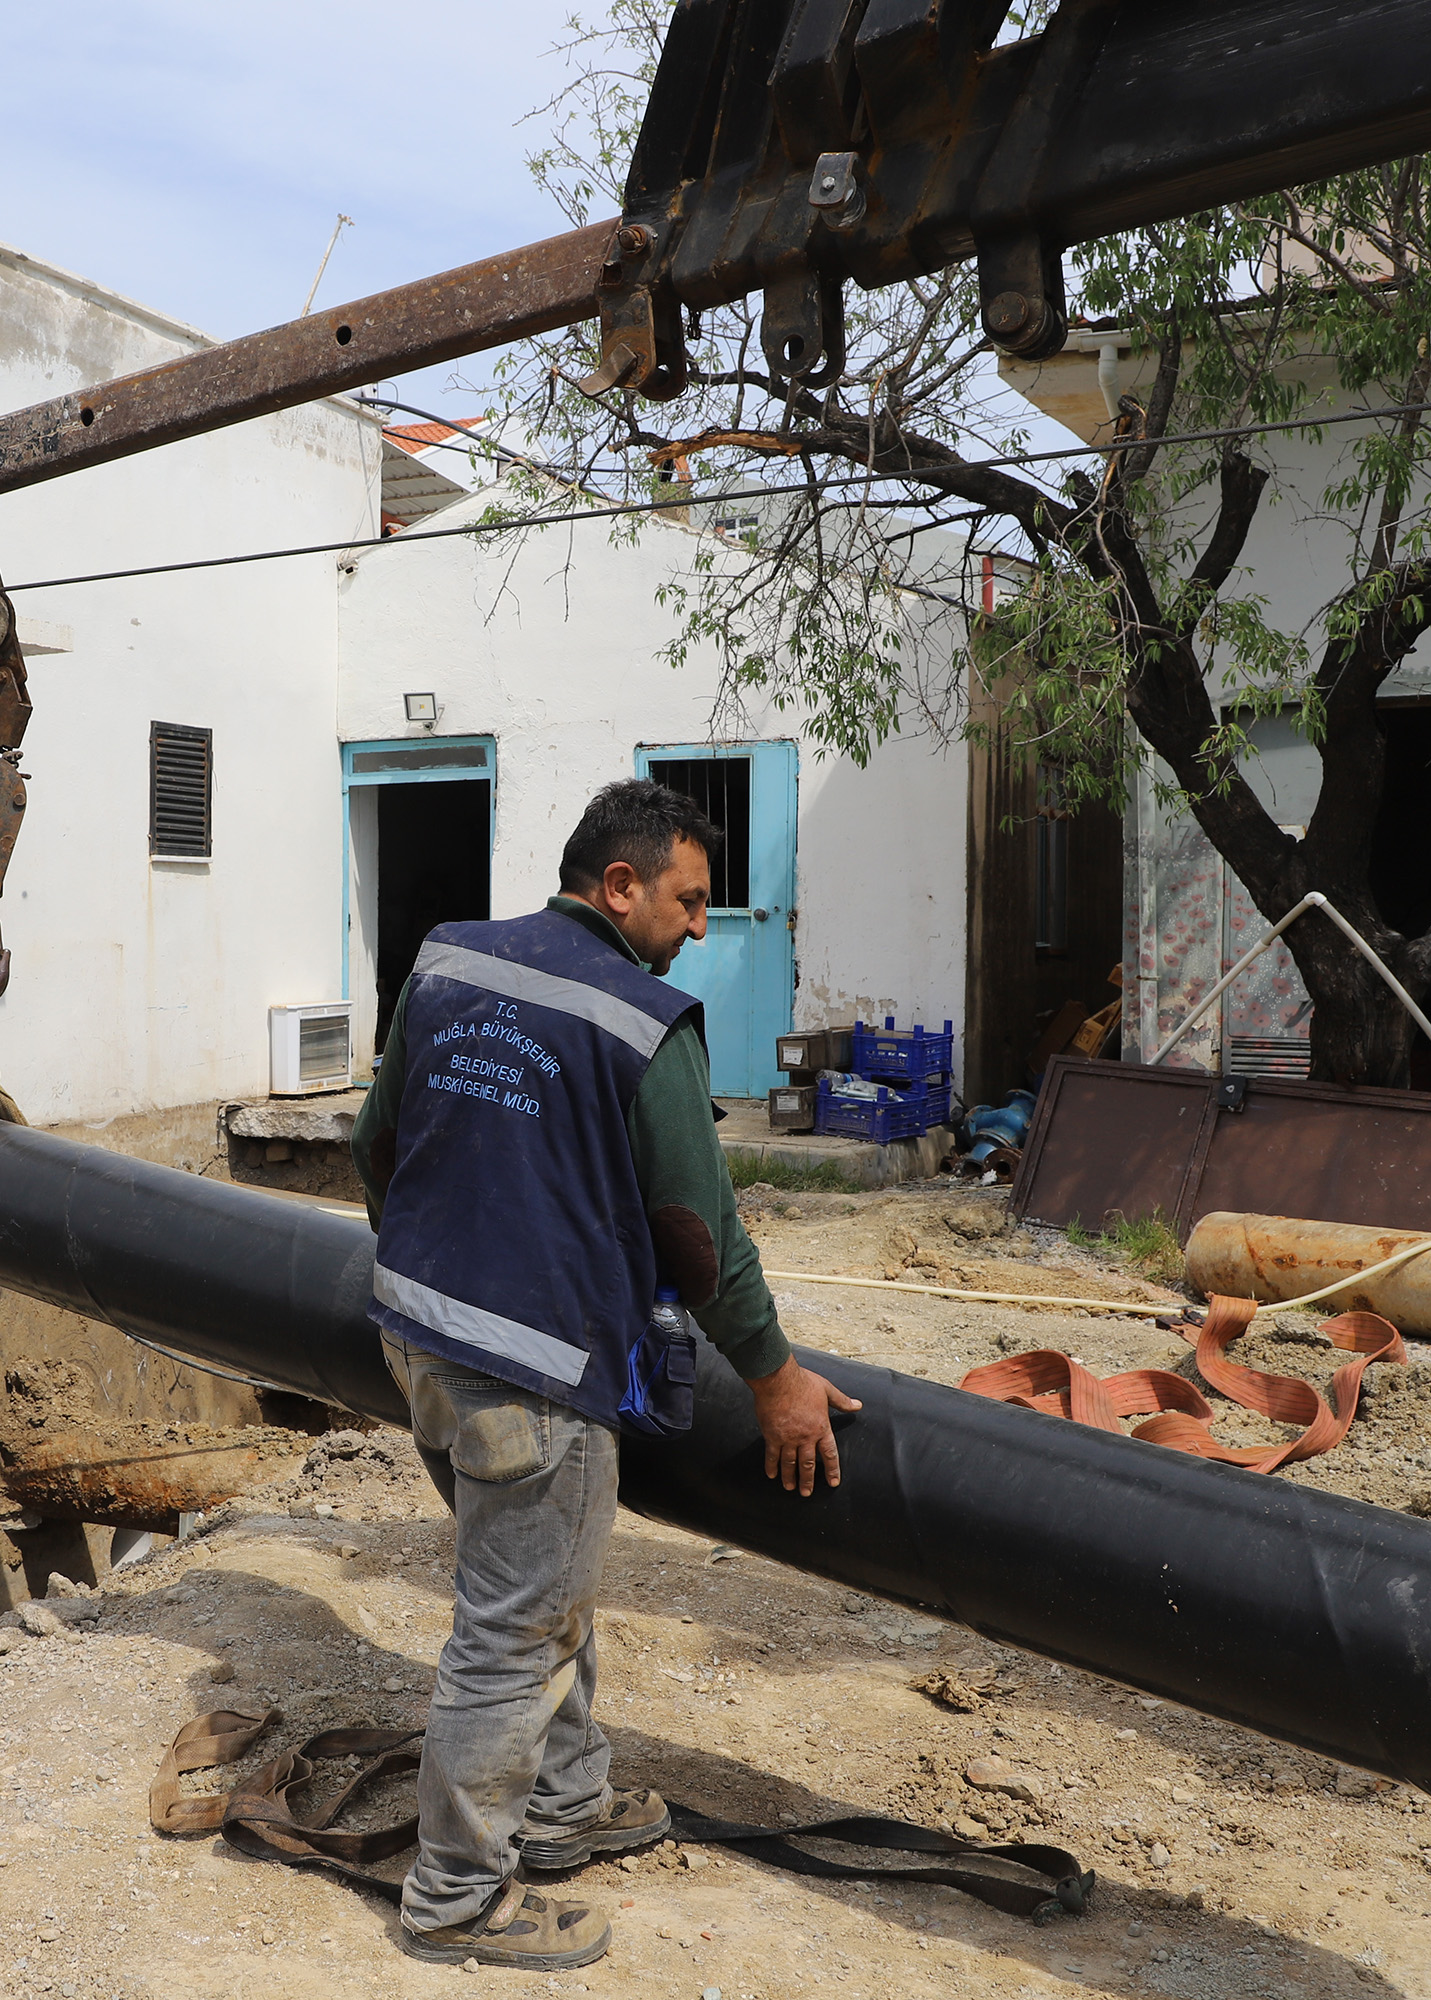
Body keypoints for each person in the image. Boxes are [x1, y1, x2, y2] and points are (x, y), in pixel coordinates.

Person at [349, 778, 861, 1971]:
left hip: (416, 1338)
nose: (697, 927)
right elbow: (699, 1234)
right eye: (687, 901)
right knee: (522, 1625)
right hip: (534, 1375)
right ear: (618, 886)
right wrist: (776, 1375)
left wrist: (438, 1267)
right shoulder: (642, 1019)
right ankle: (459, 1895)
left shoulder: (448, 960)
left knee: (539, 1585)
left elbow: (378, 1148)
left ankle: (566, 1807)